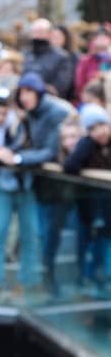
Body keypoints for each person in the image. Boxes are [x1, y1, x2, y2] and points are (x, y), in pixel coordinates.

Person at [0, 72, 73, 296]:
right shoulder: (28, 116)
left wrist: (16, 159)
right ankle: (1, 283)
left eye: (29, 92)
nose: (24, 97)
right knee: (4, 234)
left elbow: (49, 151)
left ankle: (34, 284)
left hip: (50, 186)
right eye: (22, 93)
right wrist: (6, 153)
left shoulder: (55, 113)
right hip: (23, 184)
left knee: (37, 236)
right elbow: (23, 143)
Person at [0, 89, 38, 304]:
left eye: (4, 113)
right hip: (1, 188)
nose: (0, 118)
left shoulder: (23, 125)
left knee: (28, 235)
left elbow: (30, 147)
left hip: (24, 187)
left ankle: (25, 283)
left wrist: (9, 153)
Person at [64, 105, 111, 293]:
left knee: (104, 246)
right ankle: (85, 279)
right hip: (89, 208)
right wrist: (88, 142)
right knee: (85, 245)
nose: (99, 131)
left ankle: (102, 279)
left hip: (107, 211)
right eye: (92, 128)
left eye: (101, 125)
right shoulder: (87, 145)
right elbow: (70, 166)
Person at [22, 18, 74, 100]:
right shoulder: (25, 55)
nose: (37, 36)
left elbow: (60, 86)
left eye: (41, 32)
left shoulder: (62, 57)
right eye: (35, 32)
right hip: (24, 100)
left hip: (50, 101)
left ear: (49, 34)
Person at [75, 26, 111, 102]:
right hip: (90, 100)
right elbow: (79, 85)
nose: (102, 41)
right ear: (94, 40)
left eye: (105, 38)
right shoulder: (86, 61)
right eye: (99, 38)